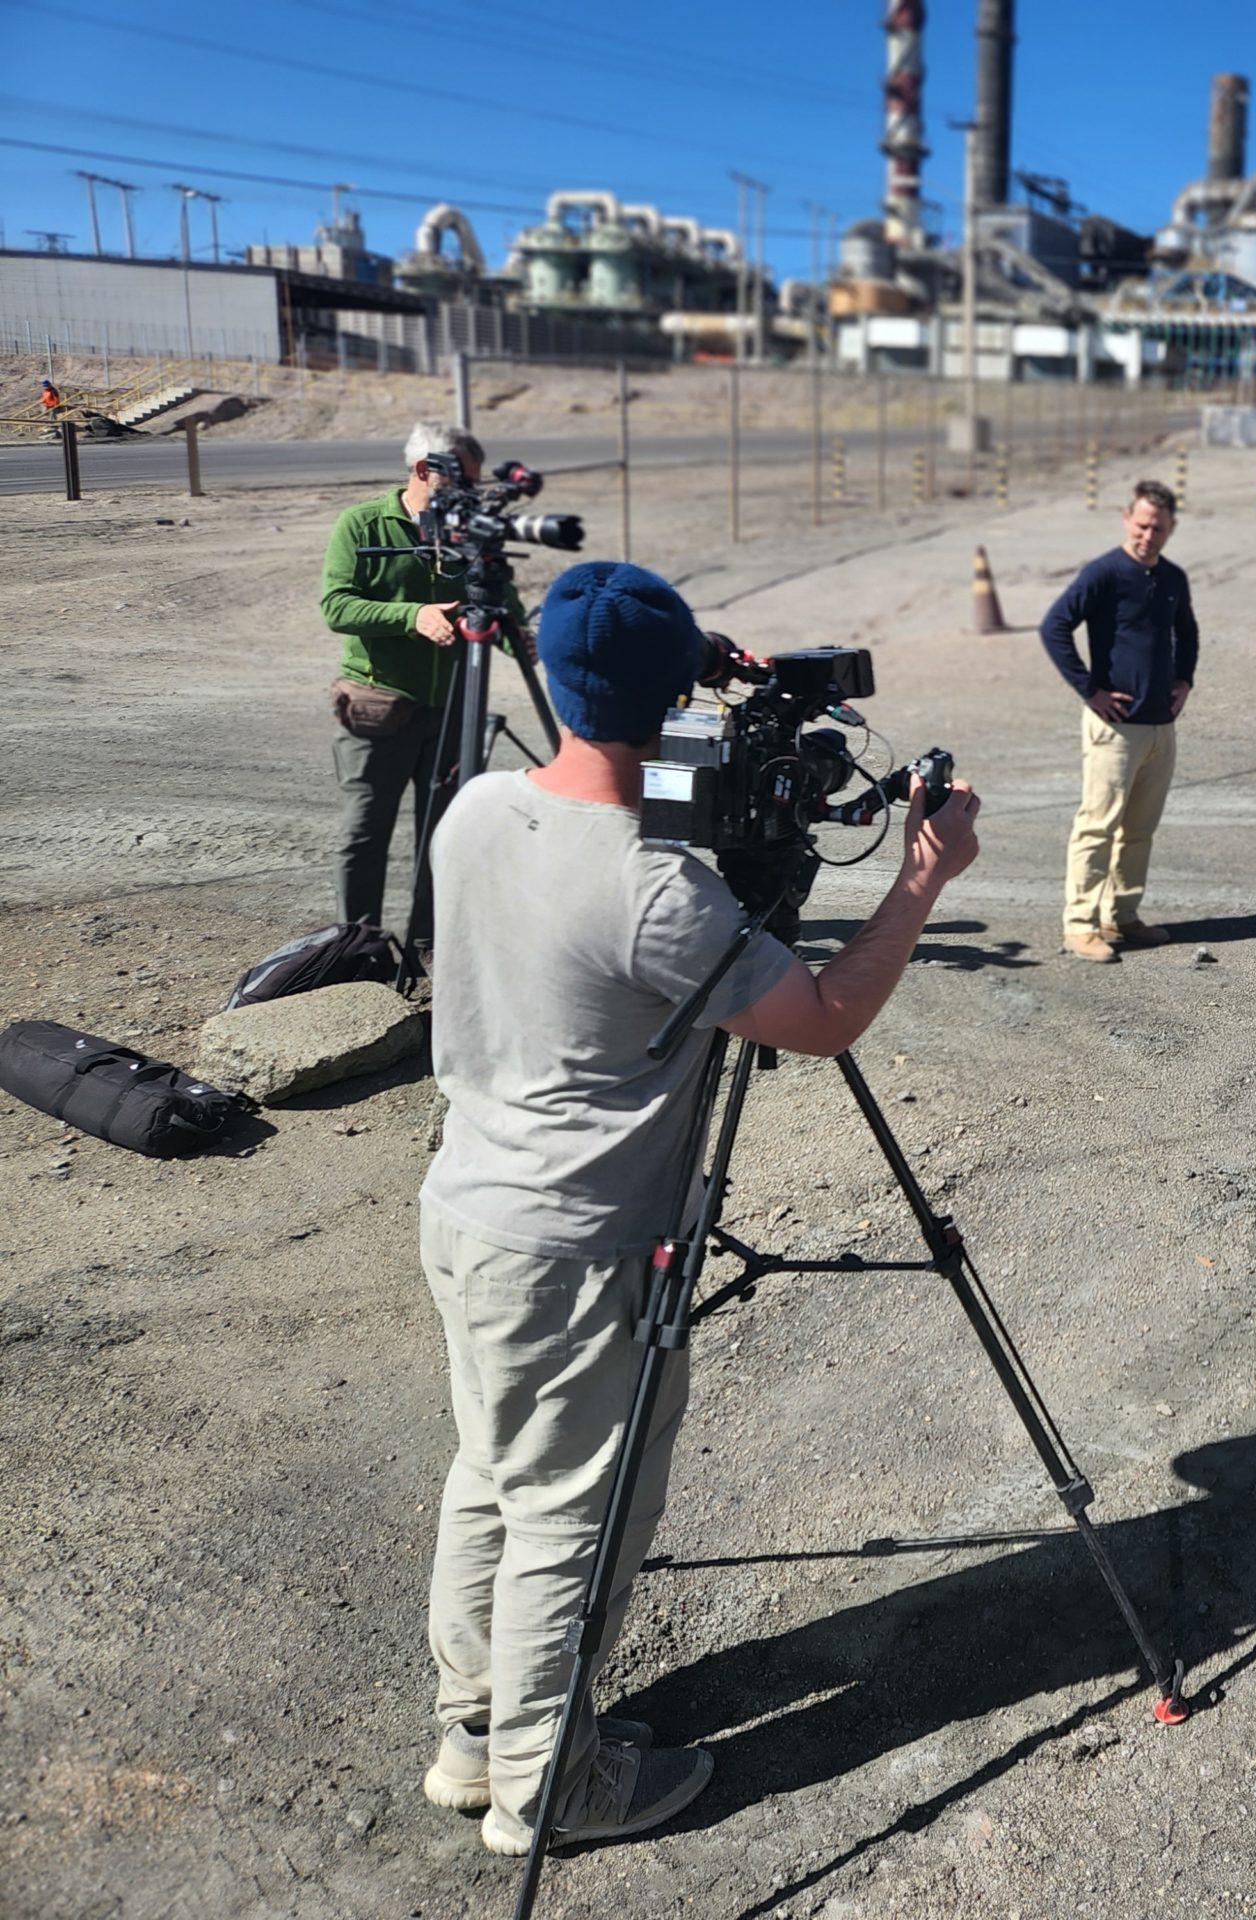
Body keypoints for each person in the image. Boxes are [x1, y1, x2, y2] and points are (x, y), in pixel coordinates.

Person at [413, 561, 980, 1856]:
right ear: (669, 697)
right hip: (576, 1250)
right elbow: (824, 1019)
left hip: (467, 1212)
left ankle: (474, 1733)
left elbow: (631, 810)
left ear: (550, 674)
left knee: (493, 1479)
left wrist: (670, 688)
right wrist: (922, 879)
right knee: (573, 1516)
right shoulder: (662, 896)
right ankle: (551, 1787)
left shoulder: (478, 811)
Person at [318, 421, 528, 950]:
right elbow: (336, 606)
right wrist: (411, 615)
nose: (467, 496)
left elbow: (500, 606)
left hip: (452, 707)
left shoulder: (469, 532)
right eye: (459, 482)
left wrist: (522, 641)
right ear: (421, 471)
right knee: (364, 834)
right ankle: (356, 946)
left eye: (473, 485)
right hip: (377, 707)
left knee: (443, 836)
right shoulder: (363, 524)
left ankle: (431, 944)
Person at [1039, 479, 1198, 963]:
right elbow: (1054, 626)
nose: (1149, 536)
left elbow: (1187, 632)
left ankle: (1122, 915)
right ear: (1127, 517)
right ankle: (1080, 925)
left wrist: (1184, 680)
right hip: (1115, 728)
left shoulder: (1171, 577)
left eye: (1160, 528)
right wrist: (1090, 691)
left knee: (1140, 829)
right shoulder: (1104, 573)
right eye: (1143, 525)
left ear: (1171, 529)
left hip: (1159, 727)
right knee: (1097, 827)